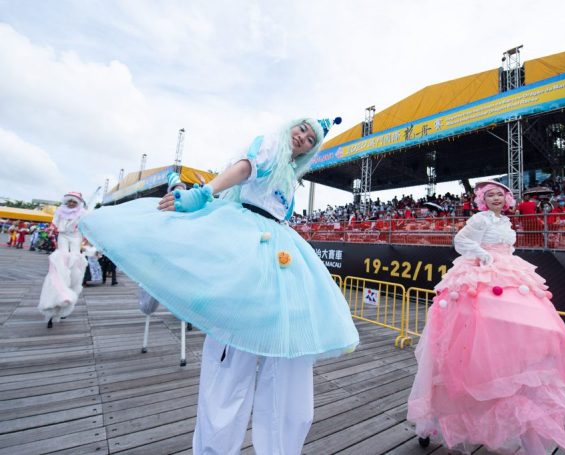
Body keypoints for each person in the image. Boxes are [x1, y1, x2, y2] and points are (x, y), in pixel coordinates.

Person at [79, 117, 359, 454]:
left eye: (310, 138)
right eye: (301, 129)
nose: (302, 137)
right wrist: (204, 193)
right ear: (290, 127)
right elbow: (244, 168)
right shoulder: (270, 146)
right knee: (233, 362)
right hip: (248, 250)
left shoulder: (290, 174)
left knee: (284, 358)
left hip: (281, 257)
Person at [407, 180, 565, 454]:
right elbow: (461, 241)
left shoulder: (504, 221)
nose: (496, 199)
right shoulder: (479, 219)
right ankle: (431, 421)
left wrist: (502, 259)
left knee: (525, 328)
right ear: (482, 200)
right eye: (490, 196)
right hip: (481, 273)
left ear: (507, 199)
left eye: (499, 195)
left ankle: (515, 376)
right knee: (463, 344)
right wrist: (483, 256)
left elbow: (507, 247)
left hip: (508, 272)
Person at [37, 192, 88, 328]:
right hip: (63, 235)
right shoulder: (60, 211)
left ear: (78, 203)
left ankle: (72, 274)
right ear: (67, 201)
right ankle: (60, 275)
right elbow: (54, 222)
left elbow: (85, 226)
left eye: (74, 202)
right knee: (62, 255)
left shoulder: (82, 213)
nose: (71, 204)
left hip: (76, 236)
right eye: (69, 201)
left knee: (75, 257)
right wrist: (51, 228)